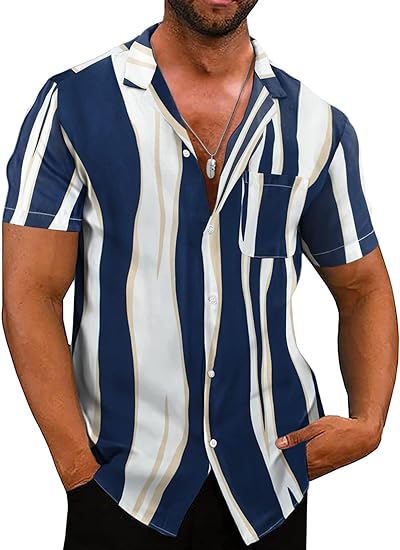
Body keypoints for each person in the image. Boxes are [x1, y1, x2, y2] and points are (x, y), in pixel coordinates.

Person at [2, 1, 398, 549]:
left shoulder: (316, 124)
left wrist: (369, 422)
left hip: (269, 488)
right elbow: (31, 292)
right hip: (121, 488)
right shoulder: (75, 105)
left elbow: (362, 287)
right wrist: (77, 470)